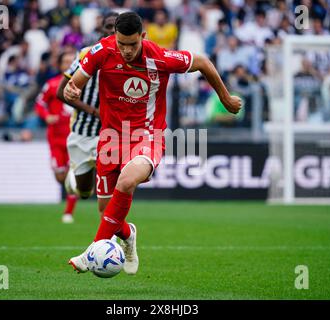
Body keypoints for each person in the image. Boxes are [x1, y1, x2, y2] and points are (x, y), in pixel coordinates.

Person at [63, 12, 242, 275]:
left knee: (126, 181)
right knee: (107, 210)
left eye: (132, 45)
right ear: (115, 38)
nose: (125, 50)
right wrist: (72, 90)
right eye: (121, 44)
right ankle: (129, 235)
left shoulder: (160, 57)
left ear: (143, 37)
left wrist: (226, 99)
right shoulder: (101, 51)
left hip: (148, 136)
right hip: (111, 137)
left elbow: (202, 62)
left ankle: (93, 250)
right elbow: (75, 84)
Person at [56, 12, 119, 209]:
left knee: (110, 193)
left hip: (110, 134)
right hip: (83, 133)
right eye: (108, 26)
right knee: (85, 192)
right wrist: (93, 111)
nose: (111, 31)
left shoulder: (127, 57)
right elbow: (61, 92)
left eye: (115, 27)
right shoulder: (86, 53)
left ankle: (111, 234)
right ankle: (74, 183)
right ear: (101, 29)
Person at [34, 52, 78, 223]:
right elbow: (40, 103)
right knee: (60, 176)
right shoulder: (52, 84)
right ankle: (70, 192)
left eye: (71, 61)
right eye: (65, 62)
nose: (68, 64)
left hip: (74, 138)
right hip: (55, 138)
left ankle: (68, 212)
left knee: (71, 175)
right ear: (59, 65)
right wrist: (46, 116)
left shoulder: (81, 83)